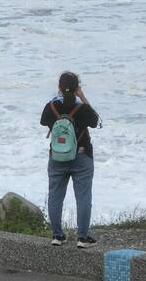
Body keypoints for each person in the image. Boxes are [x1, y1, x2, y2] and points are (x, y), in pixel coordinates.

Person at [40, 72, 99, 248]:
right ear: (77, 88)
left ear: (59, 87)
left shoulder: (51, 107)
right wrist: (83, 97)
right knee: (83, 197)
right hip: (81, 156)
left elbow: (44, 122)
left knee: (55, 196)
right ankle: (82, 238)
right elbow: (95, 121)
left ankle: (58, 236)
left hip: (57, 157)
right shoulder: (82, 108)